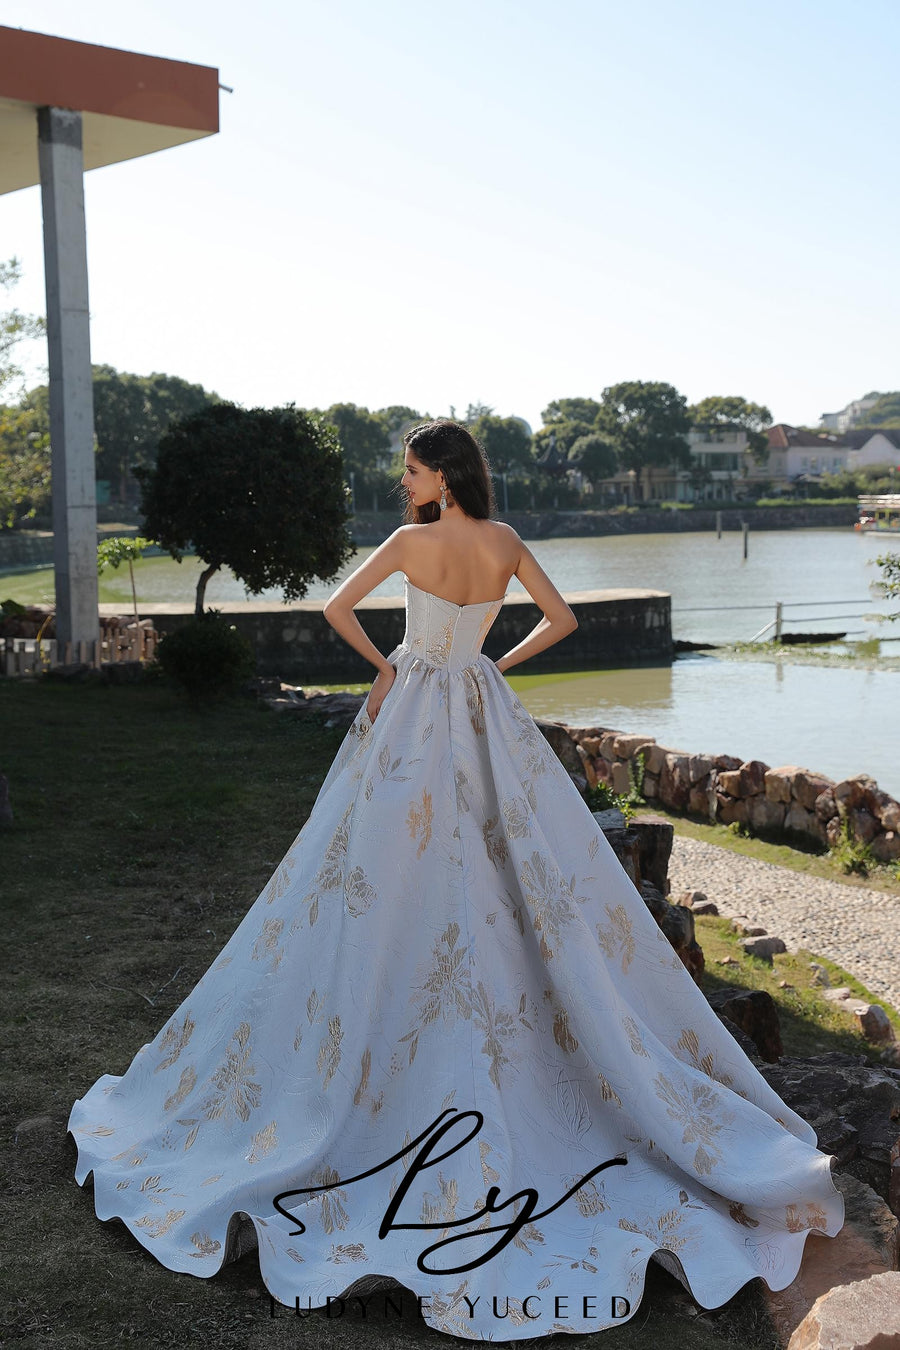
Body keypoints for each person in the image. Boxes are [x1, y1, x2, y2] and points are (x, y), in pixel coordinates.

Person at [67, 419, 844, 1340]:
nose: (403, 482)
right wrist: (493, 663)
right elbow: (563, 621)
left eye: (411, 467)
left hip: (414, 713)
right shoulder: (506, 542)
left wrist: (389, 669)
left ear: (442, 472)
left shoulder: (410, 542)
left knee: (376, 874)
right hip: (482, 704)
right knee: (521, 873)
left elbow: (336, 613)